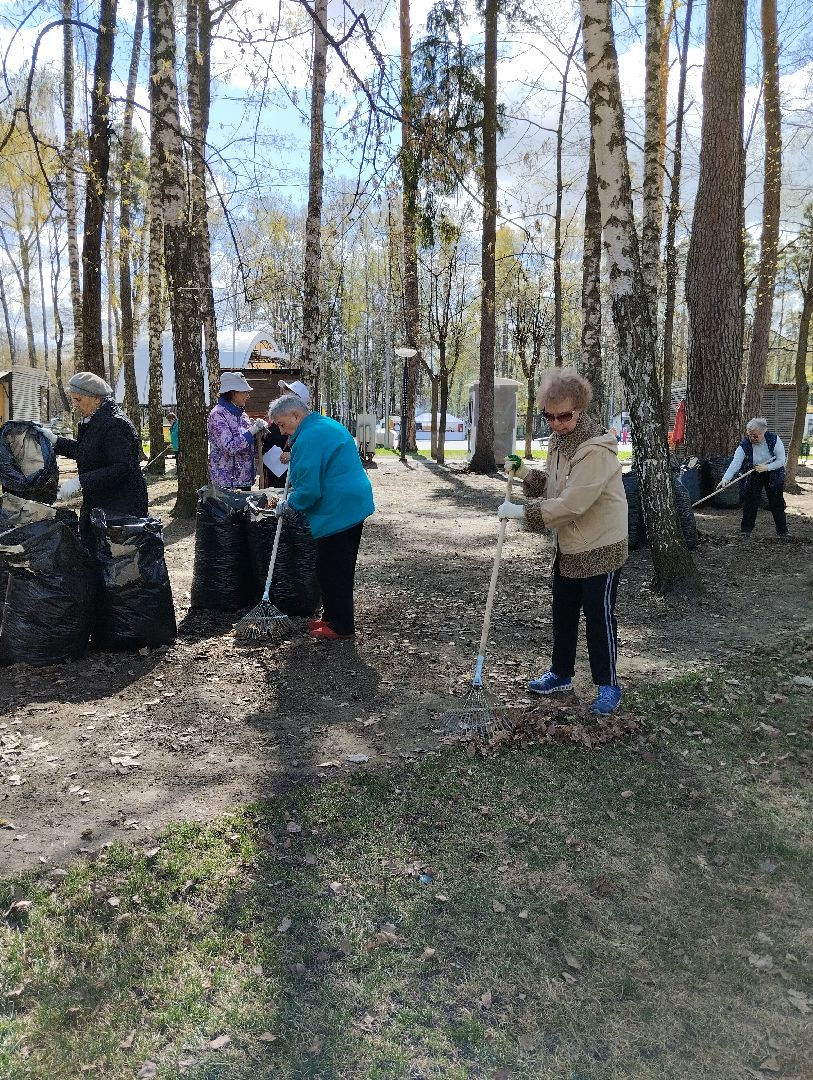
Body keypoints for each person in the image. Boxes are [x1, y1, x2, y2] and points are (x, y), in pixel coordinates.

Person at [499, 368, 628, 715]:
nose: (556, 423)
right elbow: (556, 489)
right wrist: (524, 472)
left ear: (580, 410)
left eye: (564, 416)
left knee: (599, 617)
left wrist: (522, 513)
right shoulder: (559, 443)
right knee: (564, 611)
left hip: (601, 545)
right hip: (569, 545)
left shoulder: (595, 449)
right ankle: (561, 673)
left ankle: (608, 685)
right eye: (549, 416)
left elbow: (573, 504)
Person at [267, 393, 374, 640]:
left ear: (296, 415)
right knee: (337, 565)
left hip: (337, 507)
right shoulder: (323, 424)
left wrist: (288, 503)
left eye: (282, 424)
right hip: (353, 501)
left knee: (333, 568)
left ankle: (341, 626)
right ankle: (332, 617)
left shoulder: (308, 437)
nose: (282, 432)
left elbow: (309, 491)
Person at [37, 371, 149, 549]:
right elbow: (85, 451)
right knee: (91, 552)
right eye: (73, 399)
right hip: (99, 501)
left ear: (97, 399)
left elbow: (122, 467)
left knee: (117, 564)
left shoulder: (115, 424)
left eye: (78, 400)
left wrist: (81, 481)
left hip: (121, 507)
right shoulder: (94, 420)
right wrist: (56, 441)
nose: (74, 405)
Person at [717, 418, 788, 537]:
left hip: (773, 471)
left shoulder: (774, 440)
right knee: (750, 501)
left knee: (776, 502)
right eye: (750, 435)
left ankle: (782, 531)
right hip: (753, 471)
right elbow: (736, 462)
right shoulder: (744, 445)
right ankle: (746, 530)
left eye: (755, 436)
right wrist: (726, 478)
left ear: (763, 432)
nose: (752, 438)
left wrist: (767, 468)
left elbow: (781, 460)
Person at [207, 371, 267, 490]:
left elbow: (248, 443)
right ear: (233, 393)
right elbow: (229, 448)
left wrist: (259, 433)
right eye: (245, 392)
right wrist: (251, 431)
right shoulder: (218, 414)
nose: (248, 396)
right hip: (227, 482)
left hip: (244, 480)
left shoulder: (242, 415)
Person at [261, 379, 310, 489]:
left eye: (288, 392)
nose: (284, 395)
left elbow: (309, 454)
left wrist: (292, 455)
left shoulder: (306, 429)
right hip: (272, 468)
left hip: (288, 473)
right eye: (285, 391)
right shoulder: (278, 416)